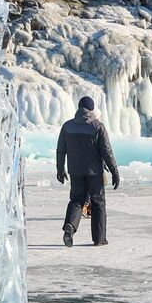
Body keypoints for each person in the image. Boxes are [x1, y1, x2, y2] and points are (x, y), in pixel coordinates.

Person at [55, 96, 120, 247]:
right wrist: (114, 171)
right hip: (94, 172)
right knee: (98, 203)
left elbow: (60, 150)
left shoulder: (67, 126)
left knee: (77, 200)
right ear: (91, 109)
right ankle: (99, 239)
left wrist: (60, 169)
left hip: (75, 171)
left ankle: (70, 227)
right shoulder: (98, 126)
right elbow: (107, 152)